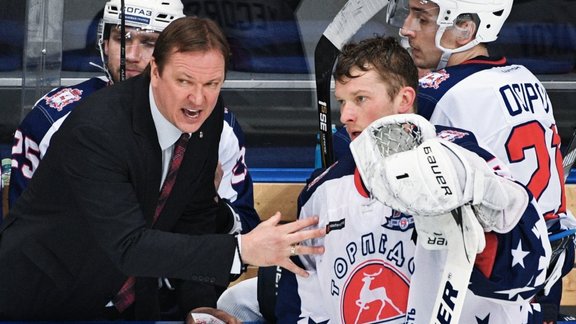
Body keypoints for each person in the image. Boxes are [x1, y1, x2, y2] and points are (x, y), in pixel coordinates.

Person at [0, 15, 325, 320]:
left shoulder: (207, 118)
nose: (198, 99)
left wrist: (199, 307)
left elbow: (193, 216)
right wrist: (241, 250)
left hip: (124, 300)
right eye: (184, 81)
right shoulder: (97, 129)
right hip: (37, 299)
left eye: (213, 84)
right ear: (155, 71)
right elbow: (129, 245)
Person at [275, 36, 551, 323]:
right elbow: (299, 301)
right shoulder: (322, 190)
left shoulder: (462, 160)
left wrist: (481, 204)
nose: (346, 115)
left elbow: (527, 273)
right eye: (342, 101)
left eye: (360, 99)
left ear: (404, 99)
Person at [385, 0, 576, 320]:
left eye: (422, 18)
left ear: (465, 29)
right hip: (542, 266)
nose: (407, 29)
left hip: (474, 285)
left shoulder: (433, 95)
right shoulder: (526, 78)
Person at [9, 0, 259, 233]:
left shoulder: (217, 127)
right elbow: (23, 229)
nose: (131, 54)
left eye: (149, 42)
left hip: (172, 270)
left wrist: (211, 205)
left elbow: (244, 227)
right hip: (72, 271)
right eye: (122, 38)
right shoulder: (52, 118)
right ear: (104, 43)